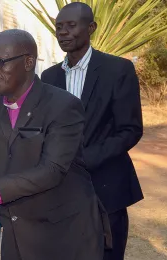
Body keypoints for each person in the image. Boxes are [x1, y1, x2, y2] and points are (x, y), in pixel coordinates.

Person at [0, 29, 110, 260]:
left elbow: (51, 170)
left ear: (28, 62)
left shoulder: (63, 106)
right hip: (17, 232)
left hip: (66, 233)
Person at [40, 3, 143, 260]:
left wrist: (88, 158)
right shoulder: (49, 77)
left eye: (71, 26)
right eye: (59, 27)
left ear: (91, 28)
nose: (63, 32)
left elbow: (130, 129)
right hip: (60, 189)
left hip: (107, 187)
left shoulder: (118, 70)